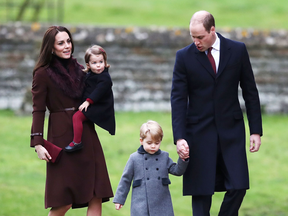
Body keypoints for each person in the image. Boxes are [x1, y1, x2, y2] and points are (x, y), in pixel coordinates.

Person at [171, 11, 263, 216]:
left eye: (200, 37)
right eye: (192, 37)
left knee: (239, 186)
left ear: (212, 30)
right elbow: (177, 99)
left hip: (231, 131)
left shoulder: (237, 50)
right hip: (198, 132)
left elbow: (250, 91)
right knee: (201, 193)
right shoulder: (184, 57)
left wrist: (255, 130)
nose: (196, 41)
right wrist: (179, 137)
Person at [30, 26, 113, 216]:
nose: (67, 46)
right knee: (63, 201)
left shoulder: (81, 69)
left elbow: (102, 87)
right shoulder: (42, 73)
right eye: (61, 43)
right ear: (51, 47)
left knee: (95, 194)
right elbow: (38, 109)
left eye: (68, 41)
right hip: (60, 137)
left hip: (86, 133)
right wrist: (38, 143)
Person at [113, 120, 189, 216]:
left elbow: (177, 171)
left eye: (157, 143)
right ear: (141, 141)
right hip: (141, 204)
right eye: (149, 143)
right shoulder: (134, 158)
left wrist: (183, 159)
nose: (153, 146)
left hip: (162, 203)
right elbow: (125, 179)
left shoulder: (164, 157)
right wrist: (119, 199)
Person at [64, 45, 115, 152]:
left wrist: (88, 101)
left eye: (101, 62)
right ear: (88, 64)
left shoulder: (105, 78)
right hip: (93, 104)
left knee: (77, 117)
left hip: (100, 107)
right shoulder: (90, 75)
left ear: (105, 62)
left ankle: (77, 142)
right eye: (94, 63)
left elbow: (98, 91)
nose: (98, 66)